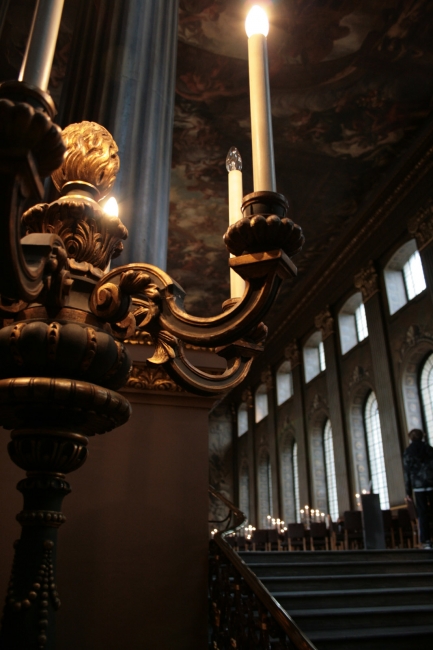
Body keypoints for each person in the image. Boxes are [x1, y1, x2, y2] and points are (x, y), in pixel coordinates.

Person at [403, 429, 433, 549]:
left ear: (411, 438)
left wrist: (408, 491)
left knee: (422, 513)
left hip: (418, 485)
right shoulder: (429, 449)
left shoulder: (408, 452)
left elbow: (407, 473)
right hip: (431, 482)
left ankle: (426, 541)